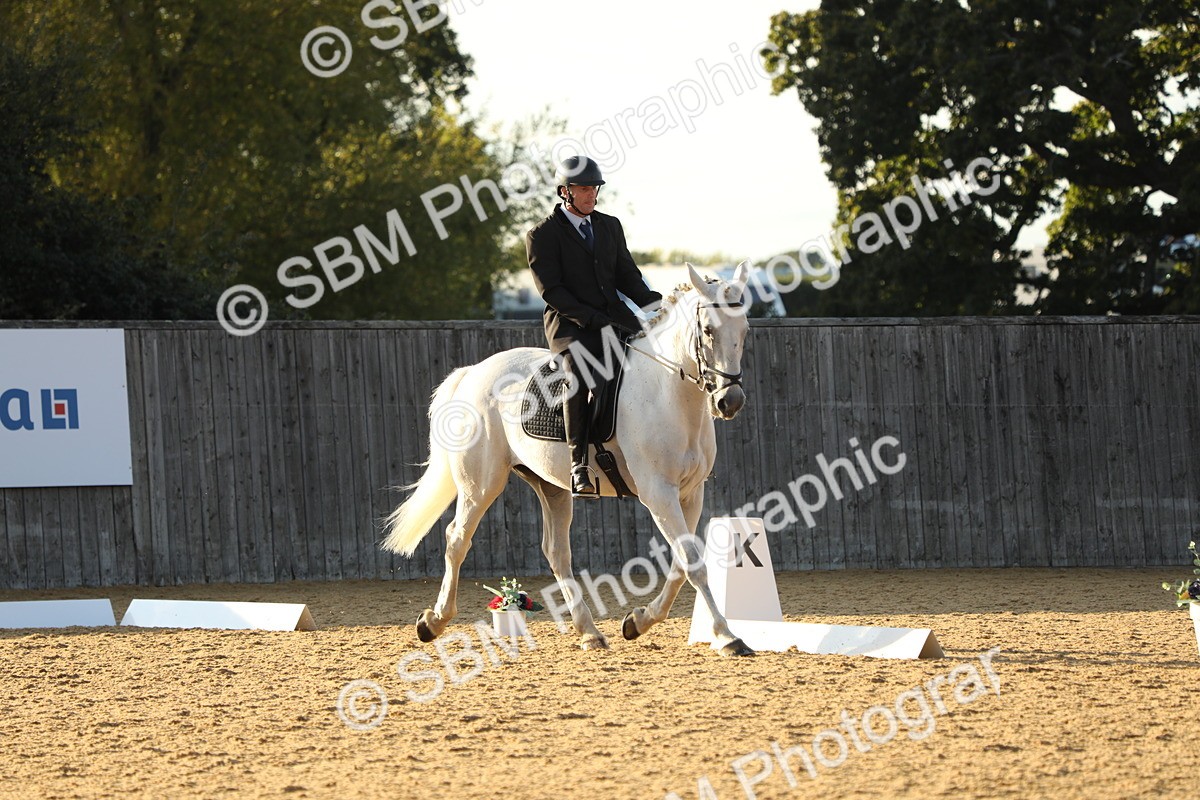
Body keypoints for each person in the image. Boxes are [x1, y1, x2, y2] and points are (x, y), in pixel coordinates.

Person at [526, 155, 662, 497]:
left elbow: (627, 274)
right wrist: (590, 317)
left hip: (614, 317)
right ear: (565, 192)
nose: (592, 195)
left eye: (594, 188)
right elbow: (551, 290)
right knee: (576, 372)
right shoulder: (541, 235)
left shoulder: (609, 226)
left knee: (655, 360)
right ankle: (578, 465)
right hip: (571, 324)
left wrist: (652, 304)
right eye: (584, 188)